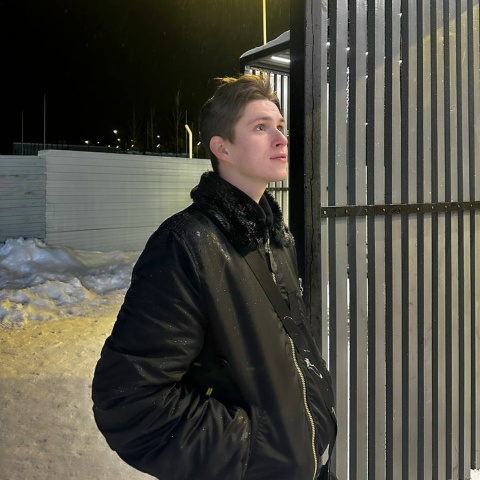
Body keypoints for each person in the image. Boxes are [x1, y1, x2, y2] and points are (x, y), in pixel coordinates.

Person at [92, 74, 337, 480]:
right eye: (261, 128)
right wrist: (256, 451)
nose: (281, 139)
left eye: (280, 126)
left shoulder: (274, 238)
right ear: (222, 147)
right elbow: (130, 402)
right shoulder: (186, 244)